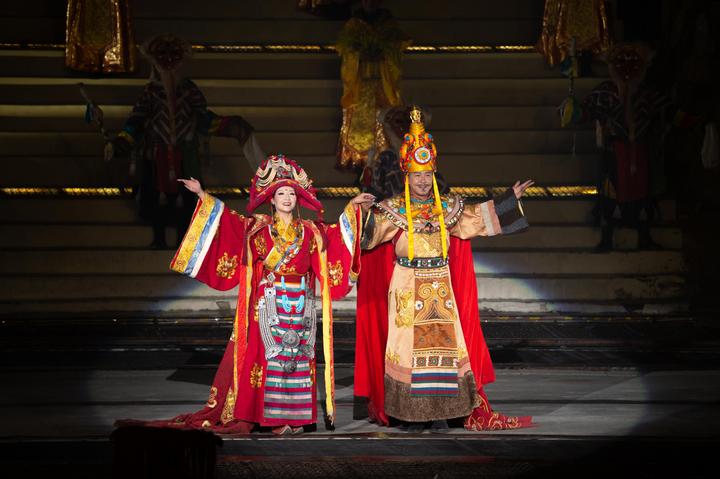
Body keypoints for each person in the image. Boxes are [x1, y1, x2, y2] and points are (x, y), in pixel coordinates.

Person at [118, 154, 373, 434]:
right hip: (269, 305)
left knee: (297, 359)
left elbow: (336, 236)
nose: (287, 198)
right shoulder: (257, 227)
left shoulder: (311, 231)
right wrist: (203, 195)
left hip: (301, 305)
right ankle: (273, 421)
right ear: (271, 199)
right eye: (281, 193)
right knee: (271, 360)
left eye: (291, 193)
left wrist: (352, 207)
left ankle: (295, 417)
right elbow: (228, 221)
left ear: (297, 198)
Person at [354, 107, 534, 432]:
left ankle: (444, 410)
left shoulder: (448, 208)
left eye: (427, 175)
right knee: (407, 350)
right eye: (416, 175)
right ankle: (408, 413)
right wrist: (358, 213)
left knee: (444, 350)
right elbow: (366, 238)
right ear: (406, 176)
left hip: (440, 286)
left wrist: (508, 200)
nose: (423, 181)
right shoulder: (392, 210)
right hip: (406, 288)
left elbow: (476, 219)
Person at [97, 34, 261, 249]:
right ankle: (159, 238)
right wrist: (121, 141)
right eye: (163, 58)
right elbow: (136, 121)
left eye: (173, 58)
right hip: (157, 152)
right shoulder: (150, 92)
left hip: (185, 152)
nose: (168, 64)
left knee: (188, 198)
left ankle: (185, 240)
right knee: (156, 196)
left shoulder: (189, 90)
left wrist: (230, 125)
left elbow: (203, 118)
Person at [581, 43, 670, 251]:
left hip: (640, 153)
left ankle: (644, 237)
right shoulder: (604, 92)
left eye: (634, 63)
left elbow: (669, 111)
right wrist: (573, 111)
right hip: (614, 154)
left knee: (643, 195)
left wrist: (694, 121)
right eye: (621, 62)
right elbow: (585, 111)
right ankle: (606, 239)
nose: (627, 69)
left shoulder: (647, 94)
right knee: (609, 196)